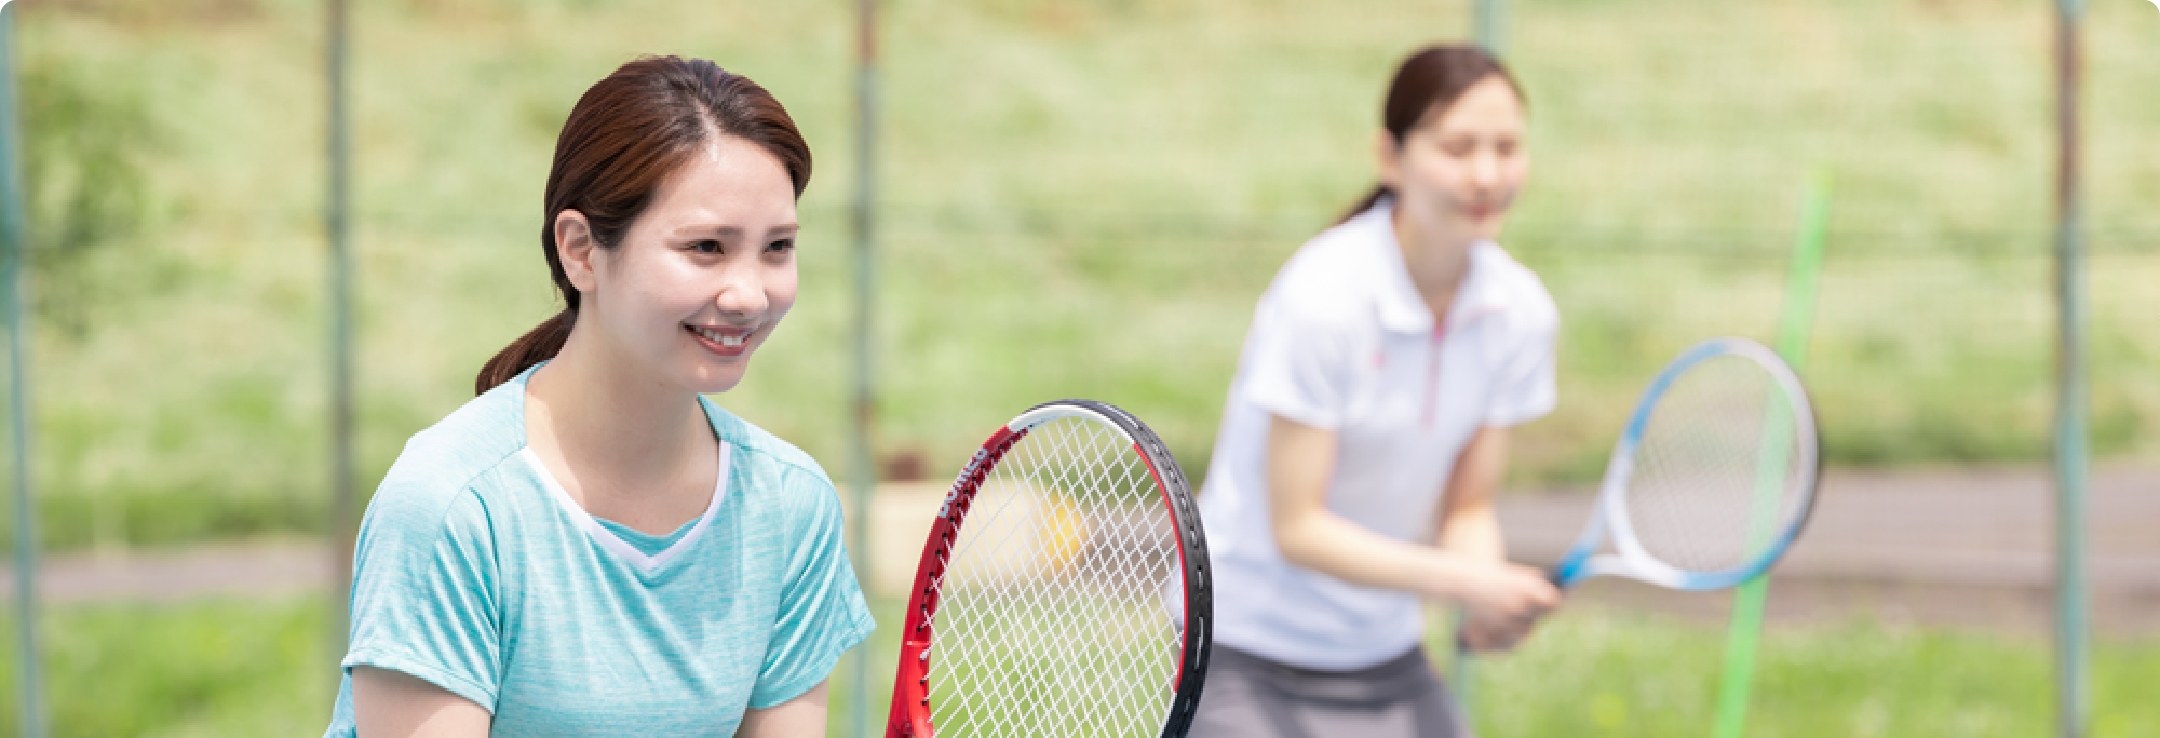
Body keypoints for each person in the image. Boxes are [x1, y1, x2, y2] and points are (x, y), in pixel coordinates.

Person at [321, 56, 873, 737]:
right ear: (581, 250)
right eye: (706, 247)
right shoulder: (452, 507)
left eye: (778, 247)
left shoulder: (790, 506)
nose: (750, 295)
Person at [1188, 44, 1562, 738]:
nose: (1486, 174)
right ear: (1390, 157)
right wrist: (1467, 583)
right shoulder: (1322, 298)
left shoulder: (1520, 313)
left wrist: (1485, 596)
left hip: (1382, 649)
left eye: (1507, 148)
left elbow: (1469, 506)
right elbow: (1298, 529)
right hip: (1242, 647)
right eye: (1457, 148)